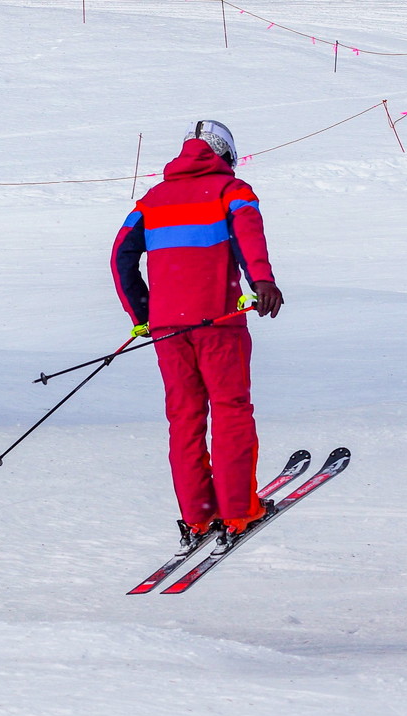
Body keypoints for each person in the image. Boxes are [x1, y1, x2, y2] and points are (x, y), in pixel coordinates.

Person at [111, 120, 284, 552]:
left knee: (185, 420)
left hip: (169, 331)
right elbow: (248, 235)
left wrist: (144, 314)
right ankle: (239, 511)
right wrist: (261, 280)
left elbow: (120, 259)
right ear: (224, 155)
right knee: (230, 412)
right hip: (219, 322)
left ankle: (199, 517)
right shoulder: (232, 190)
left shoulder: (151, 200)